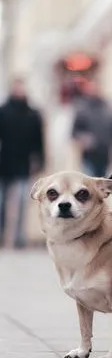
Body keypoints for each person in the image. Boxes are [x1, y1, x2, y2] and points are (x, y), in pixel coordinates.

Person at [0, 78, 45, 248]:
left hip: (23, 165)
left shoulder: (33, 114)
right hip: (3, 164)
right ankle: (2, 235)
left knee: (22, 203)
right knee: (1, 203)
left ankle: (19, 238)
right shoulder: (3, 112)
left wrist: (39, 161)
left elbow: (39, 142)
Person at [71, 80, 112, 177]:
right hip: (89, 156)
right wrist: (84, 139)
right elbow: (74, 132)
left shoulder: (108, 109)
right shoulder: (82, 109)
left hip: (105, 155)